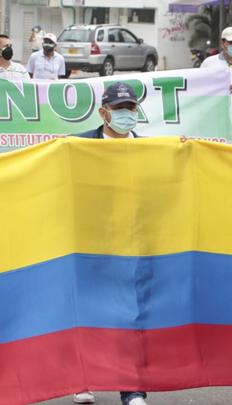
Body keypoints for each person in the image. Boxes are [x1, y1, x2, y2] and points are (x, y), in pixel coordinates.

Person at [71, 82, 153, 405]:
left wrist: (184, 152)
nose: (126, 114)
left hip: (131, 242)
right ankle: (83, 380)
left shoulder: (151, 150)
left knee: (130, 314)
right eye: (119, 108)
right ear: (104, 112)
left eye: (131, 108)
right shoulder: (77, 147)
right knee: (87, 310)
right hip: (88, 241)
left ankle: (132, 390)